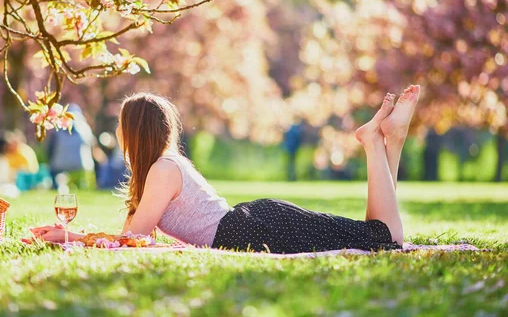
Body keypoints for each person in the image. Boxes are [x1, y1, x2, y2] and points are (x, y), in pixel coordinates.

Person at [31, 86, 420, 253]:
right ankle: (392, 140)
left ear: (133, 133)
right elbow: (129, 238)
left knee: (384, 239)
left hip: (255, 228)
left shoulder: (164, 169)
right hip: (252, 224)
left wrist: (71, 235)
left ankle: (375, 142)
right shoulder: (161, 168)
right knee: (380, 236)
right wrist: (74, 236)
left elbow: (131, 241)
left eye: (121, 127)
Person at [47, 104, 96, 190]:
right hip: (81, 166)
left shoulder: (57, 129)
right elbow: (92, 145)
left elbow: (50, 149)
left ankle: (57, 187)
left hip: (60, 166)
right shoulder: (85, 128)